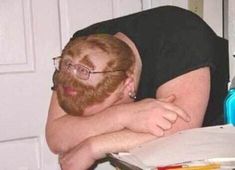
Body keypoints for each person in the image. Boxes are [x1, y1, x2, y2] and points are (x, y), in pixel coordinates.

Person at [46, 5, 229, 170]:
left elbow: (179, 132)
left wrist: (92, 147)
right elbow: (56, 136)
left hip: (212, 136)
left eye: (96, 114)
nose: (94, 121)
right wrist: (122, 116)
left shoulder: (182, 39)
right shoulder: (80, 53)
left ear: (128, 85)